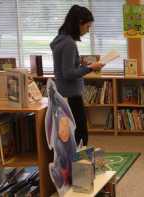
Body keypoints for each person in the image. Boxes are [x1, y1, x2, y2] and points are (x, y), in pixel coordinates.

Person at [50, 5, 104, 146]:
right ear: (79, 23)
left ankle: (74, 164)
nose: (88, 30)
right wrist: (90, 67)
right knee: (80, 134)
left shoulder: (60, 39)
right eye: (87, 26)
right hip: (72, 96)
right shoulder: (69, 43)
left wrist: (80, 63)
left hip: (64, 94)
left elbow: (65, 66)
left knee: (71, 133)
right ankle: (79, 166)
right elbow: (68, 73)